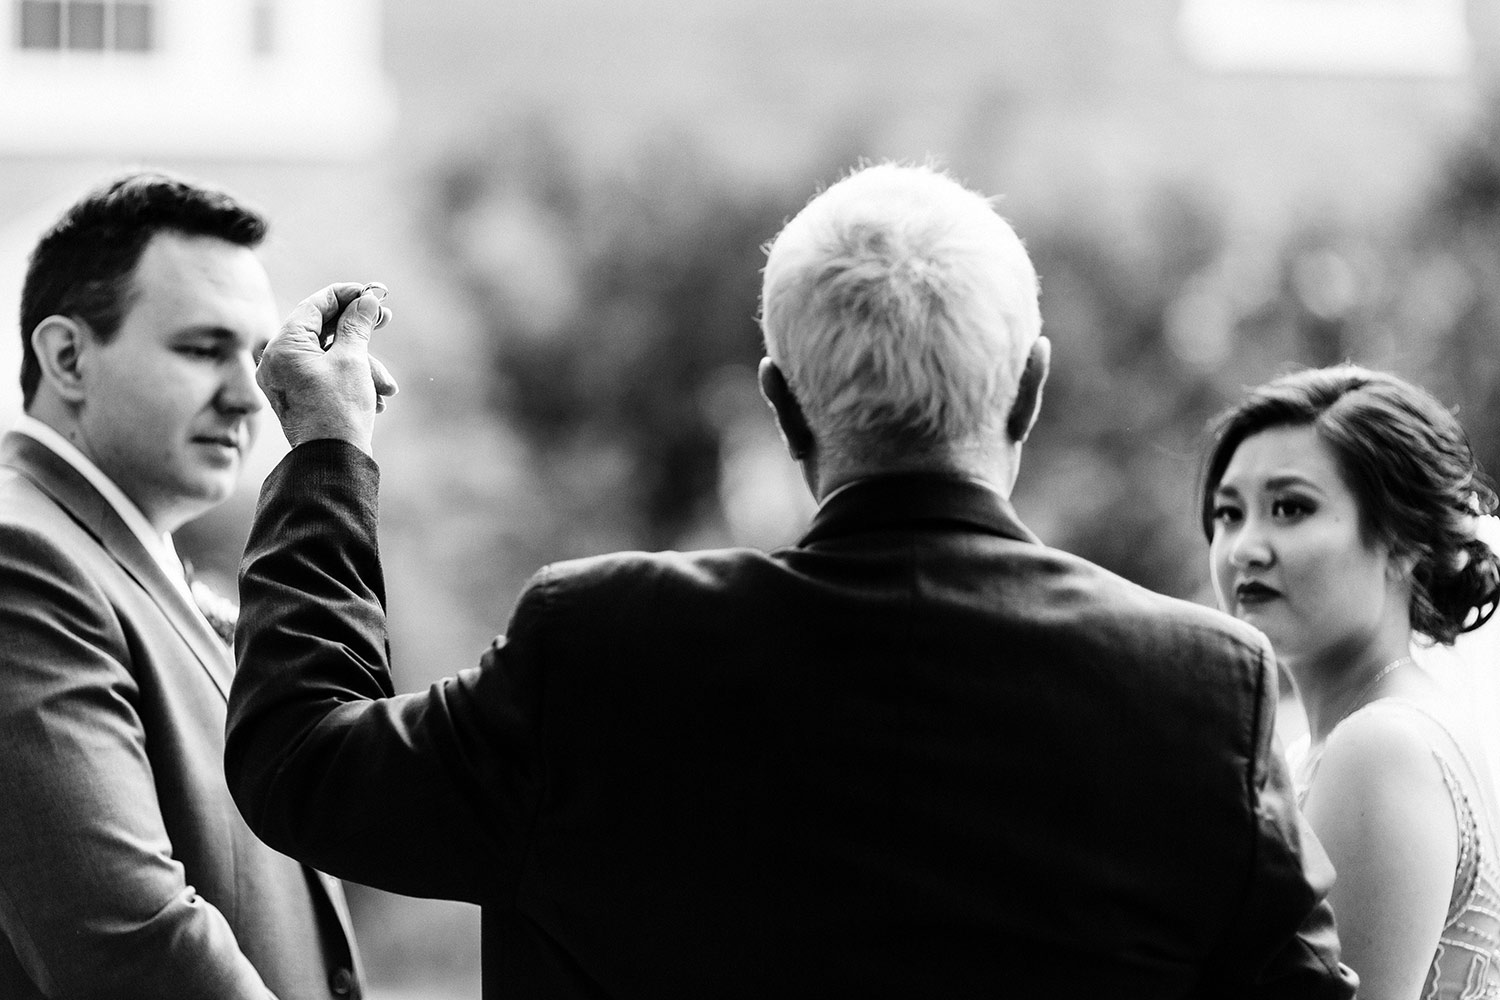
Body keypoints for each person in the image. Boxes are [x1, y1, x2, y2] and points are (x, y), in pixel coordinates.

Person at [225, 163, 1356, 998]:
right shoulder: (1204, 687)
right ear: (1029, 390)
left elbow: (301, 761)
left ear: (779, 402)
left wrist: (328, 452)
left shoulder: (605, 646)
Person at [0, 172, 366, 999]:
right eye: (203, 350)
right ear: (67, 357)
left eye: (258, 356)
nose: (249, 397)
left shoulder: (123, 563)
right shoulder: (20, 561)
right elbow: (132, 944)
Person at [1202, 364, 1500, 1000]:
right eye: (1229, 513)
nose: (1244, 548)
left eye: (1290, 508)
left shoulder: (1381, 748)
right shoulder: (1337, 740)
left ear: (1403, 540)